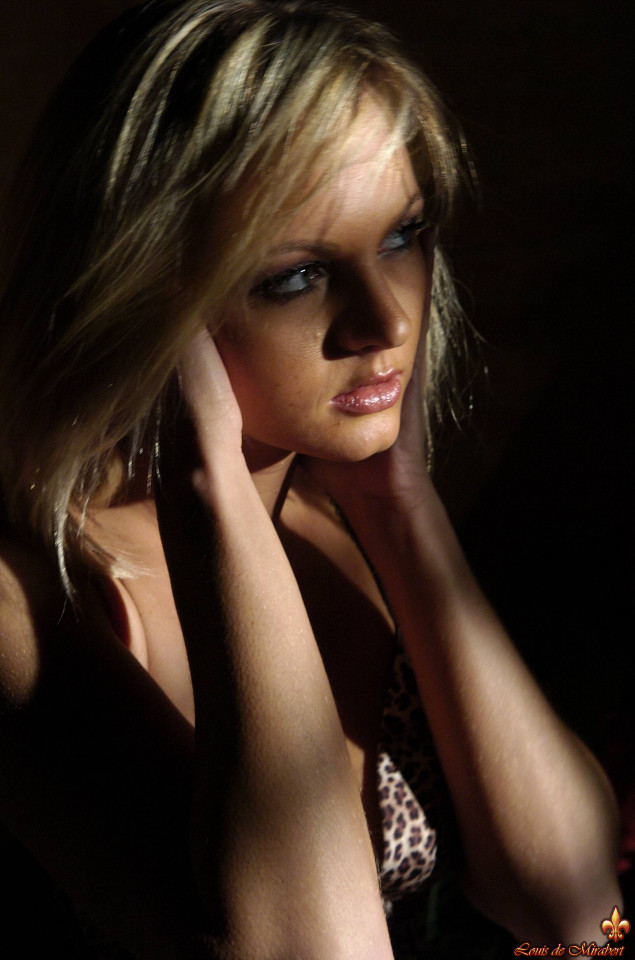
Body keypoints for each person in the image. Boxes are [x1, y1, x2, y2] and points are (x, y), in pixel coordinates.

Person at [0, 1, 621, 957]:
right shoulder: (31, 602)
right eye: (295, 276)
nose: (387, 322)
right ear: (143, 291)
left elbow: (580, 922)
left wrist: (401, 507)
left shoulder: (344, 511)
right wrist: (211, 491)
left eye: (401, 235)